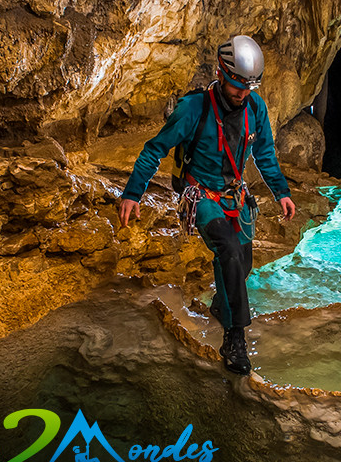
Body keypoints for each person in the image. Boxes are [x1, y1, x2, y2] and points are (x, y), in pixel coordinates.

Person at [119, 35, 295, 376]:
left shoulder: (255, 108)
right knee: (227, 250)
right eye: (236, 87)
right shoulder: (194, 108)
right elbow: (155, 149)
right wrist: (132, 192)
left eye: (248, 88)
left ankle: (221, 306)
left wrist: (281, 192)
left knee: (242, 266)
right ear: (220, 73)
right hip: (199, 196)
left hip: (235, 195)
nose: (242, 95)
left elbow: (265, 155)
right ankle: (234, 338)